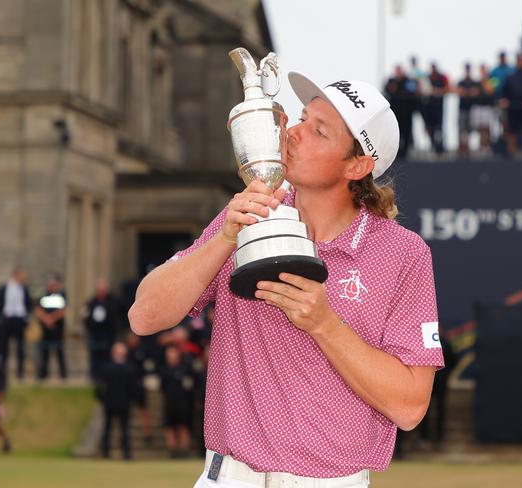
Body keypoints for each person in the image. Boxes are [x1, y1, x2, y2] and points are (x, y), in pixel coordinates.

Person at [130, 71, 444, 487]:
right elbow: (144, 316)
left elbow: (409, 406)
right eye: (301, 118)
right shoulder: (248, 214)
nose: (292, 133)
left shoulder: (403, 254)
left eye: (319, 131)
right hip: (229, 477)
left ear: (357, 165)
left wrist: (324, 324)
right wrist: (225, 237)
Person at [96, 342, 137, 460]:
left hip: (113, 402)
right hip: (120, 402)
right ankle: (124, 453)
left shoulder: (106, 369)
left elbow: (99, 387)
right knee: (118, 428)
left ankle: (107, 452)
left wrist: (102, 398)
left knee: (114, 428)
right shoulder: (129, 369)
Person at [159, 345, 196, 456]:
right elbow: (162, 387)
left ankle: (184, 450)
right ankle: (173, 450)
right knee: (169, 426)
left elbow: (190, 386)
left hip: (183, 403)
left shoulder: (184, 369)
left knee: (183, 425)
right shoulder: (164, 370)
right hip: (169, 402)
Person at [83, 279, 122, 381]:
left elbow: (116, 317)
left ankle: (107, 377)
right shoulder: (92, 302)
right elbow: (86, 317)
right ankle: (95, 377)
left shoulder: (113, 301)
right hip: (95, 335)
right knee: (95, 358)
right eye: (99, 290)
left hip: (108, 335)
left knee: (107, 357)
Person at [0, 267, 32, 380]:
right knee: (4, 347)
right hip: (7, 319)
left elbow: (28, 303)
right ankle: (2, 371)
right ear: (15, 275)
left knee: (20, 347)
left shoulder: (24, 289)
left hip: (19, 319)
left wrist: (26, 317)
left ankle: (20, 372)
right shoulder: (4, 288)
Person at [35, 274, 67, 380]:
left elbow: (63, 310)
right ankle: (43, 374)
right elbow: (38, 309)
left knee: (59, 350)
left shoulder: (61, 296)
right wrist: (46, 319)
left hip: (57, 328)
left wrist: (52, 319)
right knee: (45, 352)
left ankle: (63, 374)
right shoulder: (44, 296)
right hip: (46, 328)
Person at [384, 65, 418, 159]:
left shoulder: (408, 81)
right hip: (395, 113)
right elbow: (387, 91)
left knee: (406, 132)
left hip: (406, 113)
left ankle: (405, 153)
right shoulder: (391, 81)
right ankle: (396, 153)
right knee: (396, 133)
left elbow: (412, 92)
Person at [457, 63, 480, 156]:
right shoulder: (461, 82)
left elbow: (475, 93)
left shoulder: (474, 82)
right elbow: (459, 91)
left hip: (472, 109)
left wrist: (467, 92)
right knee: (462, 130)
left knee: (471, 130)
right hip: (462, 109)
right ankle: (462, 149)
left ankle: (469, 149)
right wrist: (467, 92)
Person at [426, 62, 449, 154]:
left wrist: (437, 91)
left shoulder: (442, 77)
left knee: (439, 128)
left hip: (439, 107)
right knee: (430, 127)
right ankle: (433, 145)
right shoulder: (428, 77)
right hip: (429, 107)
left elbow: (447, 88)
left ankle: (440, 147)